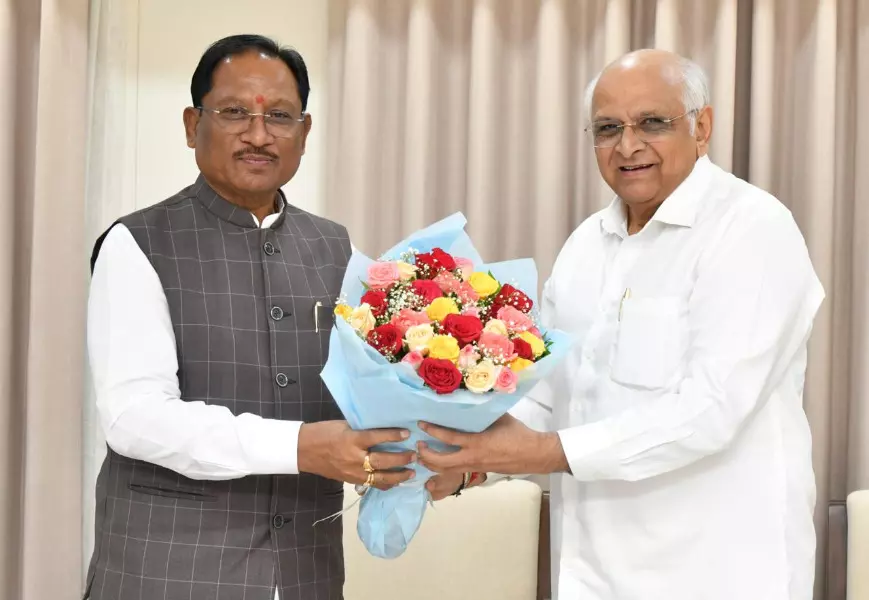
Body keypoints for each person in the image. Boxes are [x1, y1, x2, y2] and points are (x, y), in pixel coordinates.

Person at [417, 49, 825, 600]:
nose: (628, 145)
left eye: (652, 123)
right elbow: (547, 390)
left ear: (701, 127)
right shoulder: (586, 242)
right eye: (608, 128)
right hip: (590, 571)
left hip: (719, 569)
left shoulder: (753, 228)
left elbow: (710, 409)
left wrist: (538, 453)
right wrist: (468, 459)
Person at [83, 34, 465, 600]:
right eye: (235, 112)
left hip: (304, 574)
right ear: (193, 125)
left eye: (280, 116)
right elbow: (134, 417)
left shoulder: (335, 248)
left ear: (304, 134)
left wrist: (444, 458)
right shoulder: (138, 243)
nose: (258, 134)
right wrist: (301, 447)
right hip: (165, 574)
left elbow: (363, 401)